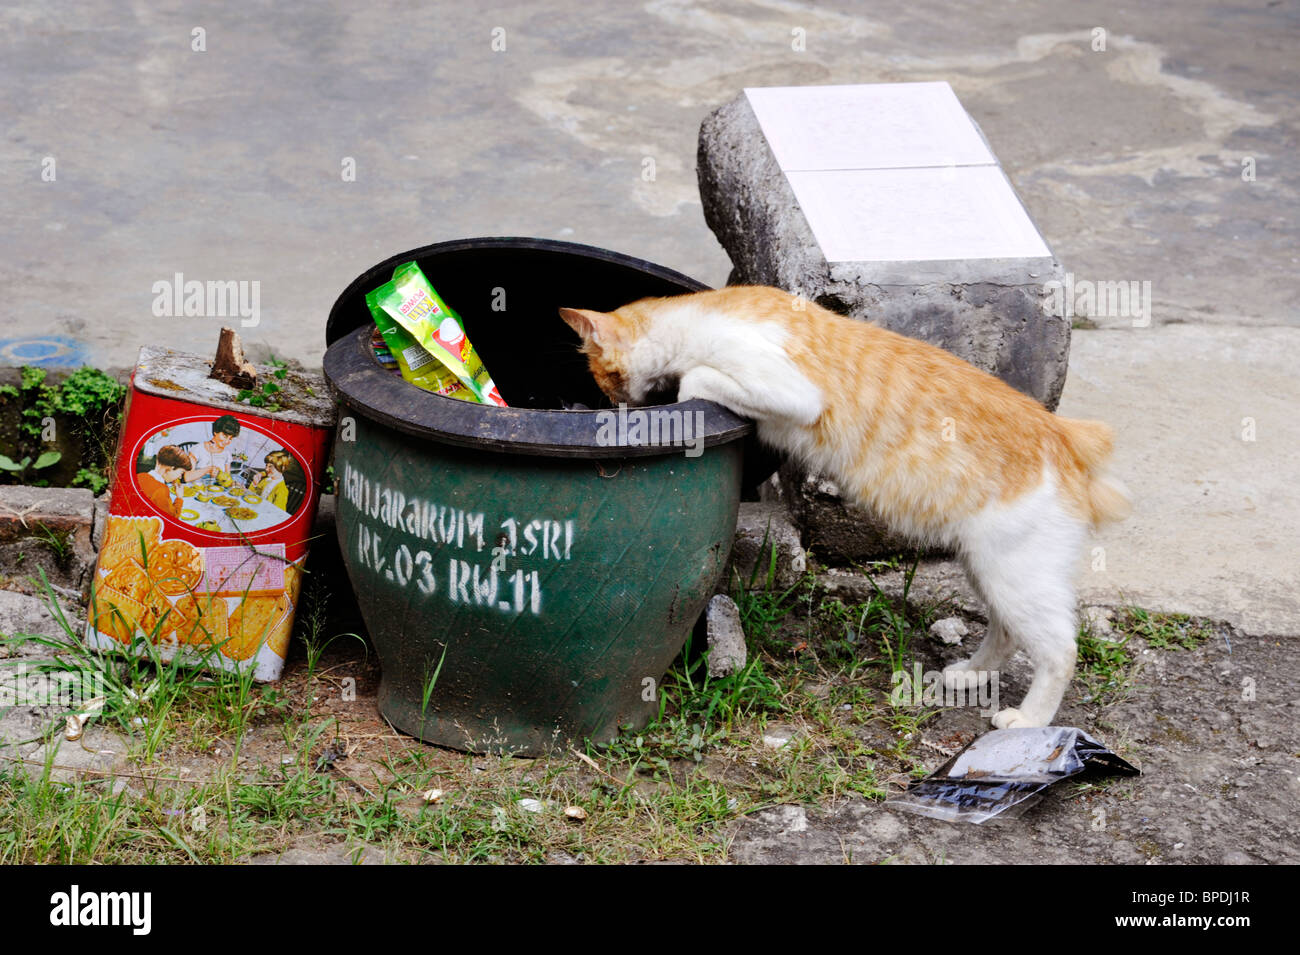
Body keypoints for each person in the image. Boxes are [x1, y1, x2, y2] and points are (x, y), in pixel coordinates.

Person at [184, 415, 241, 483]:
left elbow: (227, 479)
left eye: (230, 438)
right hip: (195, 489)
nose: (227, 442)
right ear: (216, 432)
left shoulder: (226, 454)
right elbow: (187, 477)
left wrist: (233, 484)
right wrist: (208, 469)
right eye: (225, 436)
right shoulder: (198, 449)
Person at [138, 446, 192, 517]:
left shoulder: (140, 475)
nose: (180, 477)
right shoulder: (161, 490)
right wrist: (179, 498)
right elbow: (172, 518)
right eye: (181, 473)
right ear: (171, 469)